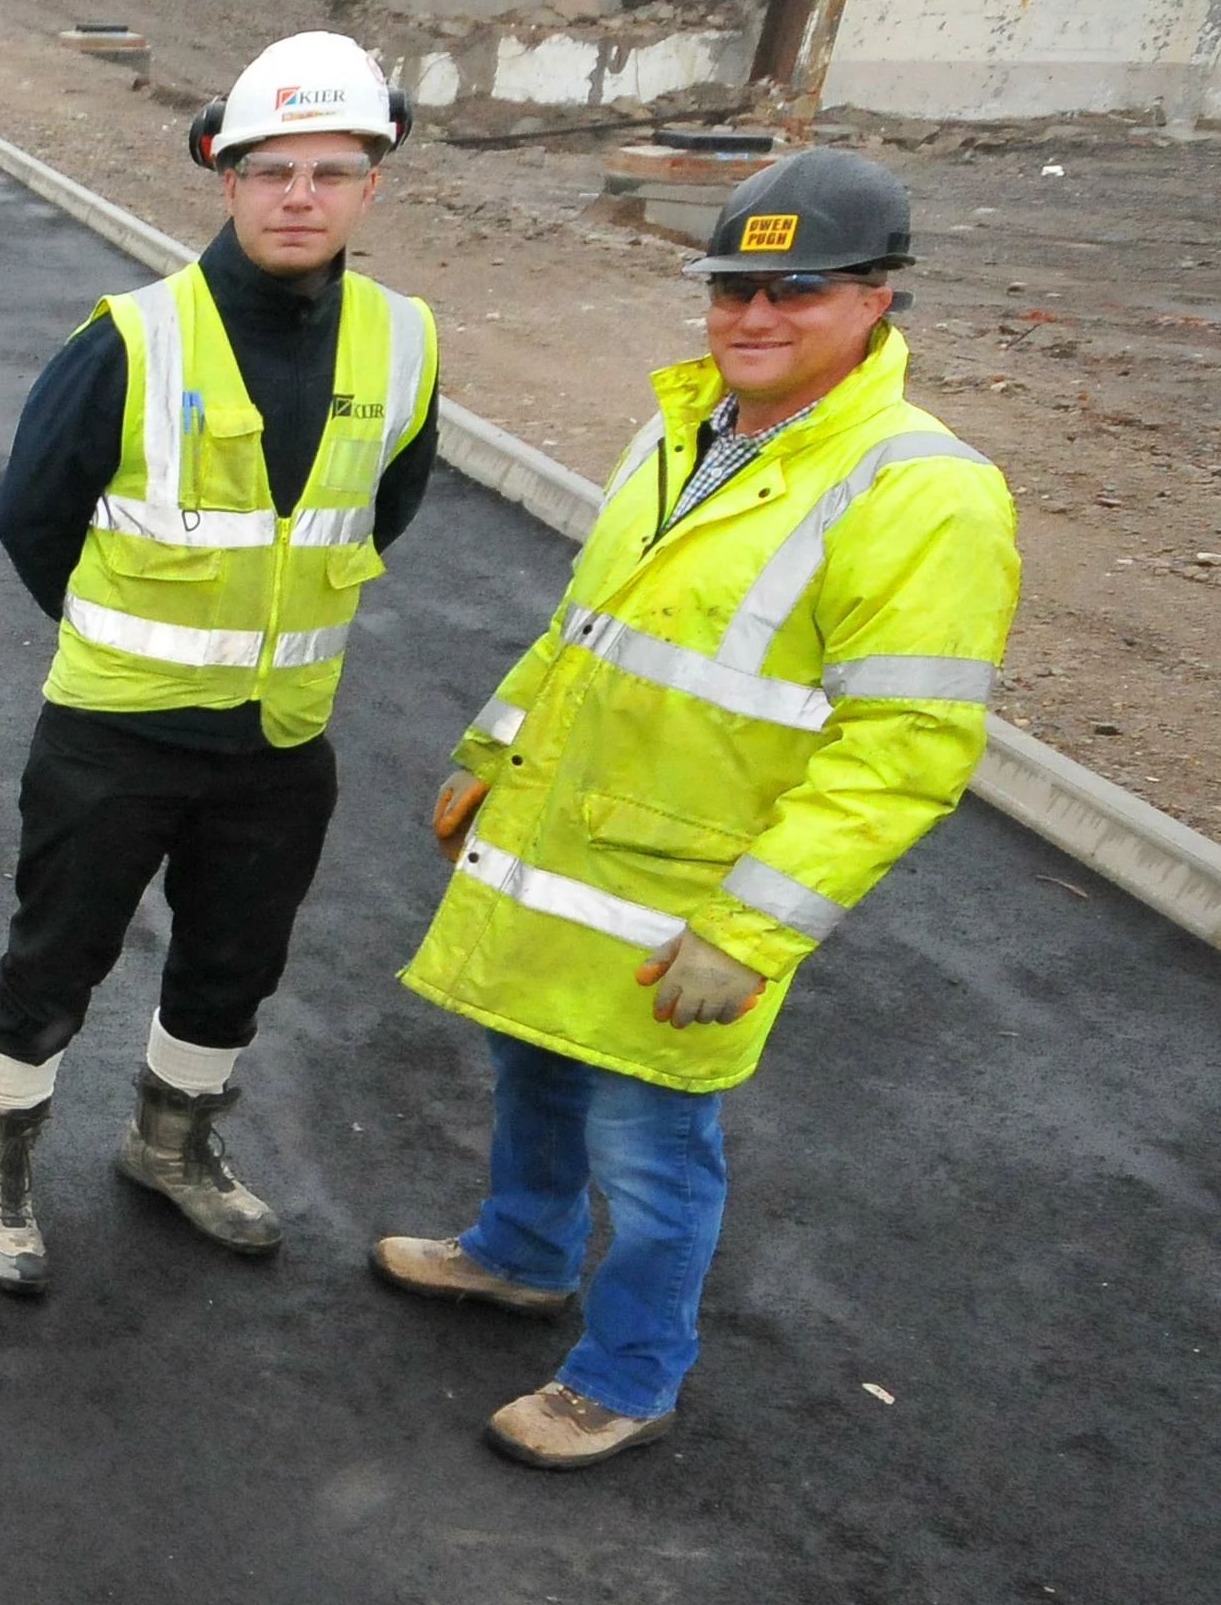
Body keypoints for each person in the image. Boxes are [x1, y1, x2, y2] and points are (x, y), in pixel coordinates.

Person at [376, 148, 1019, 1469]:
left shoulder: (921, 492)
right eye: (733, 289)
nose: (754, 318)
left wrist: (753, 929)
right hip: (569, 853)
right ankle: (520, 1253)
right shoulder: (687, 432)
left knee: (654, 1150)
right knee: (532, 1066)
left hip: (688, 900)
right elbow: (587, 633)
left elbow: (902, 750)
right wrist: (486, 749)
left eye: (797, 292)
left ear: (875, 302)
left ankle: (626, 1374)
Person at [0, 31, 445, 1294]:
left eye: (333, 172)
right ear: (225, 176)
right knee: (56, 957)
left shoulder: (404, 343)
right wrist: (125, 635)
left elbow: (382, 507)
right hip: (117, 734)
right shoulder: (131, 336)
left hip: (279, 743)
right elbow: (29, 514)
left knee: (235, 965)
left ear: (372, 185)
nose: (300, 197)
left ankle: (172, 1145)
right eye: (273, 169)